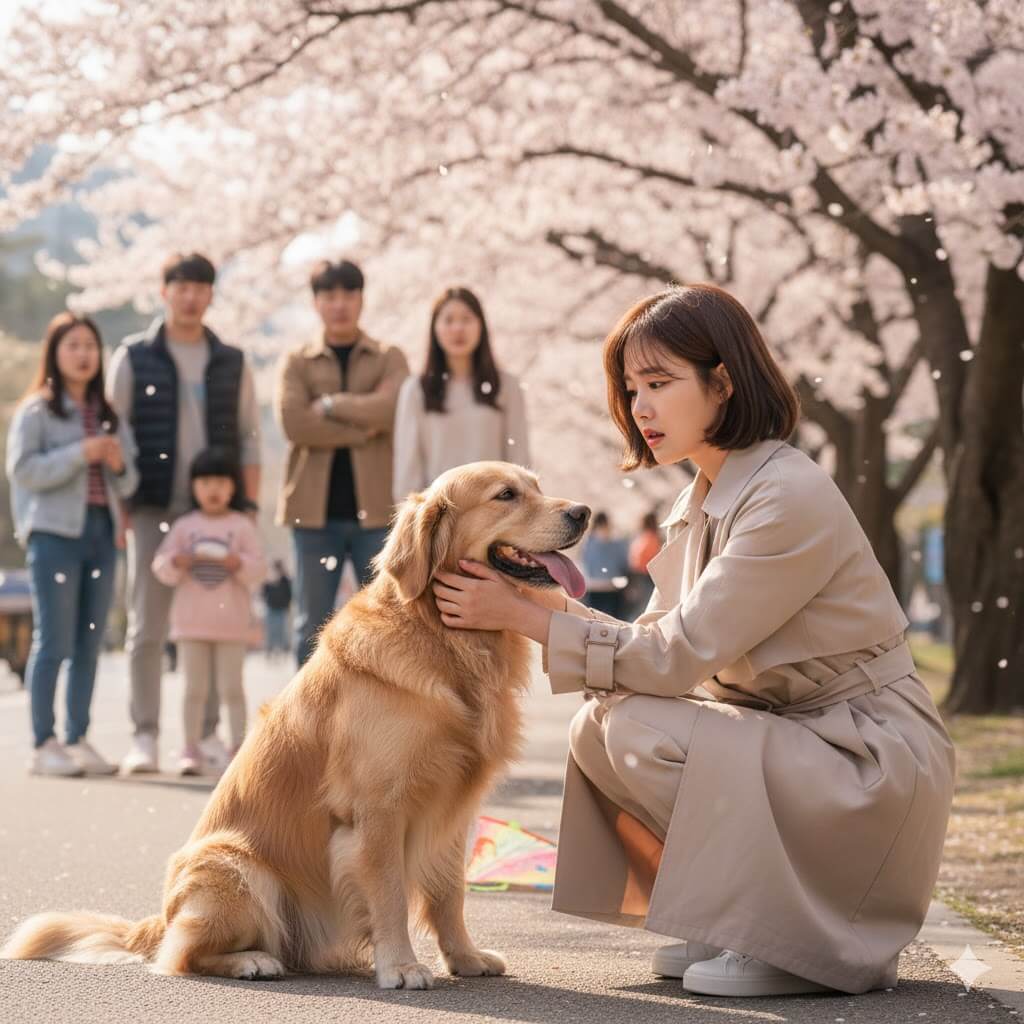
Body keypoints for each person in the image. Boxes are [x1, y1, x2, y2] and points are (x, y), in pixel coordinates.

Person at [430, 284, 955, 998]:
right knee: (600, 726)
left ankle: (800, 937)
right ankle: (738, 917)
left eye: (659, 383)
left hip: (865, 756)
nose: (640, 407)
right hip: (805, 743)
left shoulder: (784, 496)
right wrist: (533, 598)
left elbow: (674, 661)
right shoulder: (702, 498)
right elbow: (650, 642)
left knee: (642, 723)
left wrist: (523, 617)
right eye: (630, 387)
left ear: (723, 383)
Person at [107, 252, 262, 775]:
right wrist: (121, 505)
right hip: (150, 505)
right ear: (164, 291)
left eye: (200, 287)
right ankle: (144, 734)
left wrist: (251, 509)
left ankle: (208, 737)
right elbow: (116, 433)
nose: (191, 296)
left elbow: (248, 439)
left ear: (211, 295)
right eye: (181, 286)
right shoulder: (134, 356)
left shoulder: (231, 361)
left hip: (217, 513)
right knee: (147, 623)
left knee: (216, 623)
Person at [6, 312, 138, 777]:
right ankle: (44, 742)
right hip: (53, 535)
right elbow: (23, 471)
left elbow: (131, 478)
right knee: (54, 640)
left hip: (102, 535)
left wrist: (119, 463)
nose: (83, 354)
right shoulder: (36, 411)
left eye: (89, 346)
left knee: (89, 642)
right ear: (55, 353)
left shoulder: (108, 414)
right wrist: (80, 453)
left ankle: (78, 737)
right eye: (72, 345)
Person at [274, 259, 409, 666]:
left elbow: (393, 411)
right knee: (311, 625)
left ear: (361, 298)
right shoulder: (298, 360)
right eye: (329, 295)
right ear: (316, 302)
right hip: (313, 515)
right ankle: (305, 726)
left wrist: (332, 406)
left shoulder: (389, 357)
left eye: (348, 294)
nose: (340, 304)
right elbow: (296, 424)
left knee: (386, 623)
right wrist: (363, 429)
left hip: (378, 515)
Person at [152, 448, 266, 775]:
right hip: (190, 625)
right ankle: (190, 748)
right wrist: (176, 561)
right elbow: (160, 565)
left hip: (231, 624)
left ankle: (239, 749)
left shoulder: (242, 525)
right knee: (193, 690)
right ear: (193, 487)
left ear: (233, 487)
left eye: (220, 482)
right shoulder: (185, 526)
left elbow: (259, 569)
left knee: (232, 689)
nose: (213, 489)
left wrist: (238, 564)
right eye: (204, 482)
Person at [392, 286, 531, 499]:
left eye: (466, 319)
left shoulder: (507, 386)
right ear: (435, 328)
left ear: (481, 326)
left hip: (497, 513)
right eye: (448, 320)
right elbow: (407, 469)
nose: (458, 328)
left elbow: (519, 461)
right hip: (439, 512)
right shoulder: (416, 390)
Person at [579, 511, 630, 618]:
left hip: (592, 587)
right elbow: (623, 563)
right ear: (607, 523)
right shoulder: (616, 542)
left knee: (594, 621)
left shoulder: (587, 543)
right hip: (611, 587)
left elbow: (585, 563)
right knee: (613, 623)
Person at [625, 511, 661, 618]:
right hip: (642, 576)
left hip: (643, 576)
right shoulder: (650, 538)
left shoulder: (646, 538)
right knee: (642, 606)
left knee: (641, 606)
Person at [261, 560, 292, 659]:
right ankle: (269, 651)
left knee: (281, 632)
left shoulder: (285, 580)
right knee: (270, 632)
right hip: (270, 609)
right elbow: (264, 593)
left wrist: (287, 606)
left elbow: (289, 594)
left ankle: (283, 652)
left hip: (281, 610)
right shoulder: (268, 580)